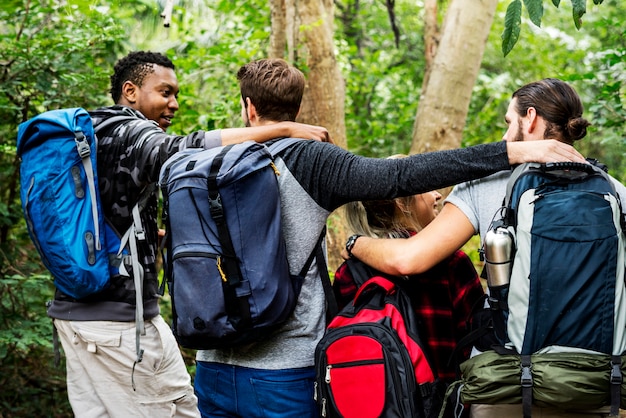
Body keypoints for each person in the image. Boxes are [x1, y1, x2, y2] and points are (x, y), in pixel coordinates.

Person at [192, 60, 587, 418]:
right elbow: (397, 177)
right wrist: (509, 152)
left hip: (211, 364)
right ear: (296, 110)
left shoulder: (195, 160)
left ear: (248, 107)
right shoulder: (309, 159)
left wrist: (354, 246)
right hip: (283, 373)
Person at [46, 51, 332, 418]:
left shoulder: (95, 133)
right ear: (130, 91)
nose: (174, 104)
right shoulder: (131, 131)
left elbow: (108, 212)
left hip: (79, 315)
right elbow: (181, 151)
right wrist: (283, 129)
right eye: (165, 92)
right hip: (116, 324)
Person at [346, 78, 626, 418]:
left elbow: (409, 259)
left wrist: (356, 243)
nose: (506, 137)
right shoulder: (616, 194)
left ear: (531, 118)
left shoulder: (488, 184)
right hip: (596, 385)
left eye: (510, 123)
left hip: (506, 388)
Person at [333, 179, 484, 384]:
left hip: (377, 402)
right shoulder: (452, 263)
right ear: (402, 204)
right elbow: (477, 341)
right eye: (427, 187)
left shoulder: (348, 271)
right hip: (445, 401)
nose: (438, 195)